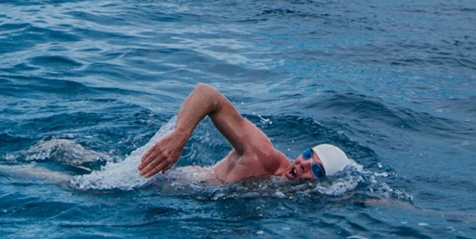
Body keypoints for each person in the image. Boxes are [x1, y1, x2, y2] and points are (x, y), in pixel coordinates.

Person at [137, 83, 353, 184]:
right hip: (162, 180)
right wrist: (180, 136)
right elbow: (207, 94)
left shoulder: (294, 195)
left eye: (315, 168)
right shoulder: (263, 156)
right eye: (307, 154)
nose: (304, 163)